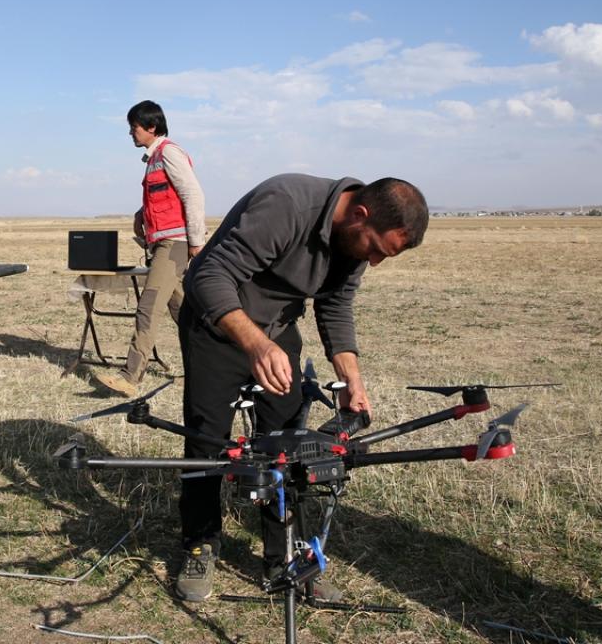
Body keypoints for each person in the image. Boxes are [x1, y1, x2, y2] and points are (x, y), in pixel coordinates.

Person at [172, 173, 428, 602]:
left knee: (289, 447)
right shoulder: (287, 205)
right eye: (376, 250)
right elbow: (209, 277)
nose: (374, 262)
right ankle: (200, 545)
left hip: (276, 331)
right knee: (207, 440)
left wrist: (351, 379)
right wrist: (256, 345)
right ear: (360, 214)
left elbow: (336, 303)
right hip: (215, 325)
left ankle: (285, 556)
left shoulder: (353, 237)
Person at [96, 101, 207, 397]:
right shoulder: (154, 158)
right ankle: (213, 365)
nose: (130, 133)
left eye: (134, 127)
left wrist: (197, 242)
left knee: (149, 306)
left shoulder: (169, 152)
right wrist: (140, 215)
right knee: (184, 312)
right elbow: (165, 197)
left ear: (151, 127)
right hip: (163, 244)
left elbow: (192, 194)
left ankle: (130, 376)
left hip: (174, 245)